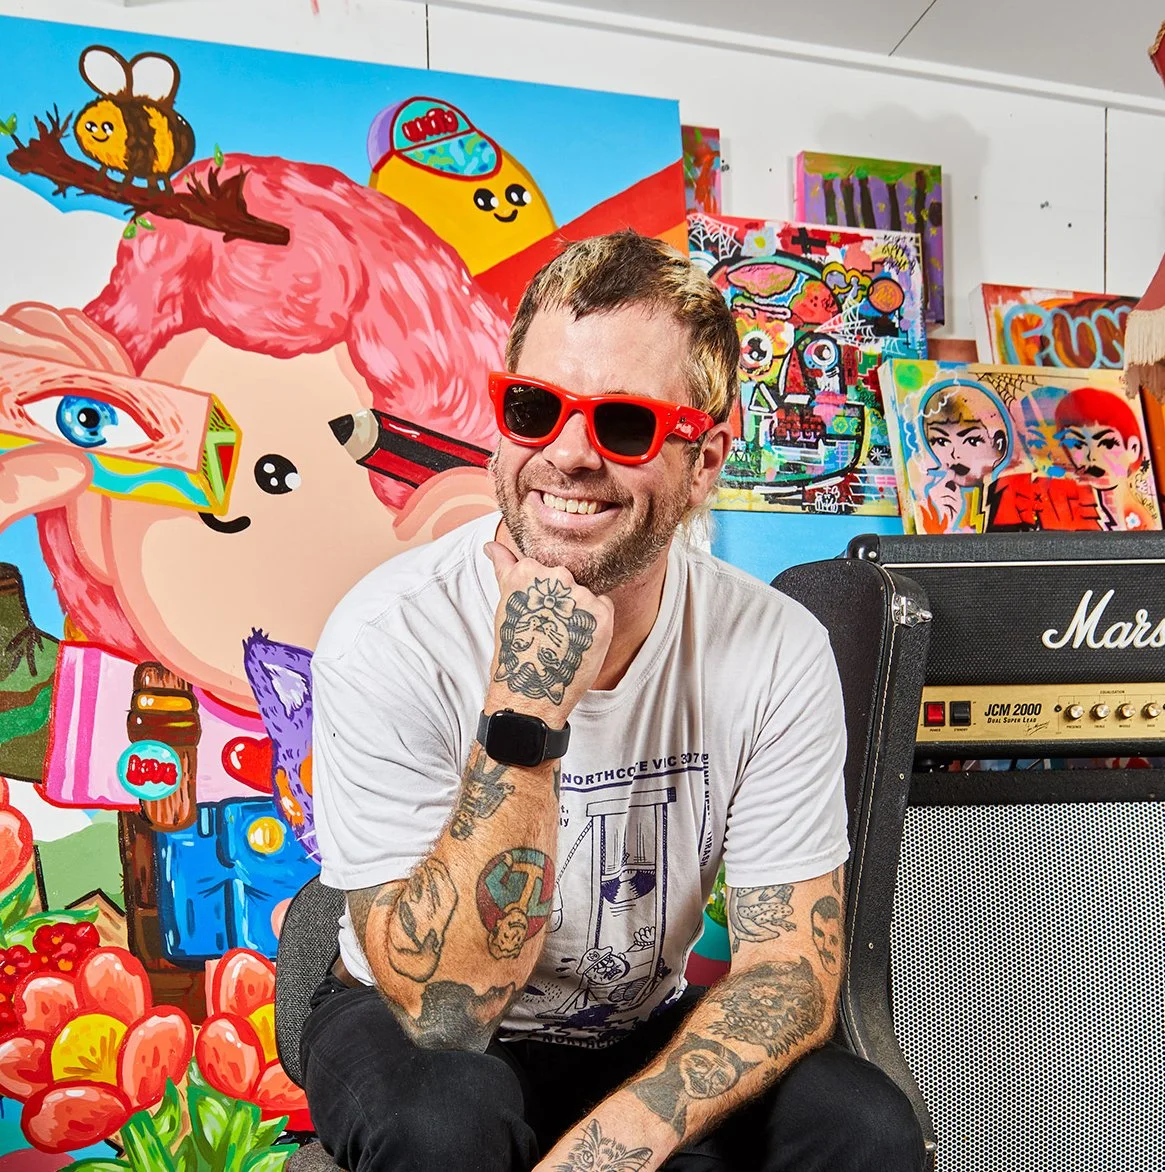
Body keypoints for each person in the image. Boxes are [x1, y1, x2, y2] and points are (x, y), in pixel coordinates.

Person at [305, 231, 927, 1171]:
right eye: (533, 409)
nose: (566, 455)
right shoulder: (390, 633)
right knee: (445, 1120)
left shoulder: (774, 646)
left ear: (705, 460)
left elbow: (787, 972)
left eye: (624, 425)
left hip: (629, 1026)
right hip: (409, 1022)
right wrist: (527, 706)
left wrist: (612, 1151)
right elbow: (444, 1012)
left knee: (859, 1119)